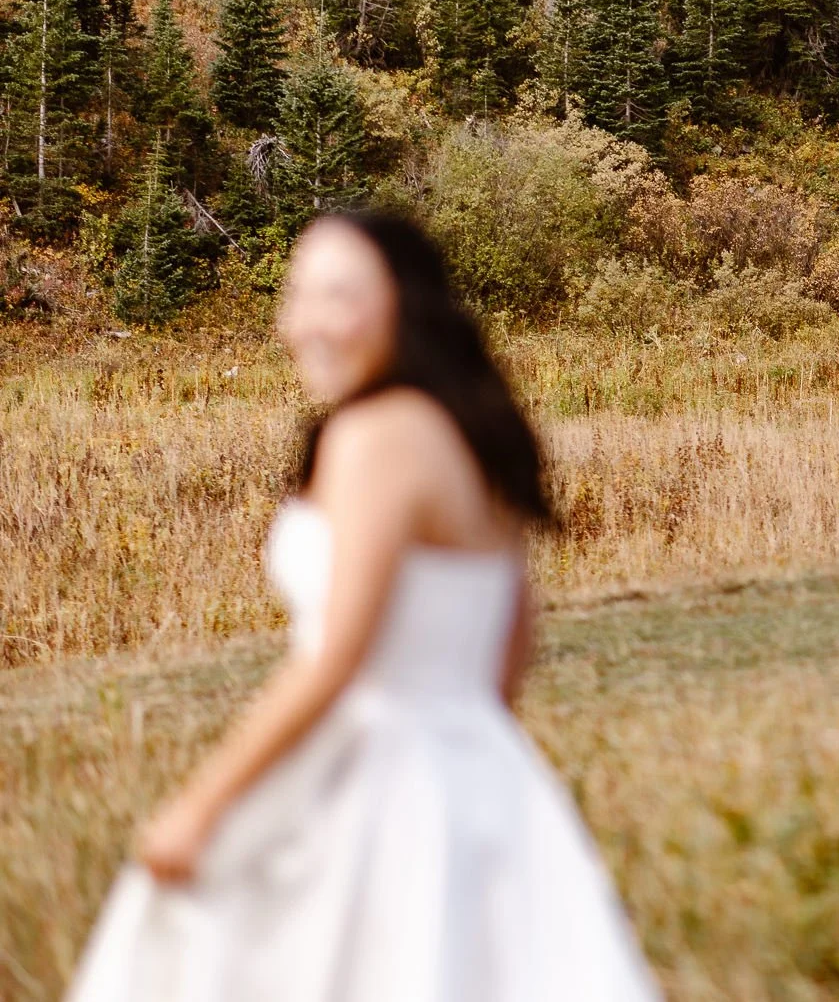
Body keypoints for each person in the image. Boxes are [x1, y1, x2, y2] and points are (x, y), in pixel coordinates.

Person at [68, 211, 660, 1002]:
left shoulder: (377, 433)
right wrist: (457, 745)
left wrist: (201, 804)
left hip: (378, 783)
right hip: (486, 776)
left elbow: (339, 657)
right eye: (298, 293)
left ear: (406, 305)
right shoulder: (472, 434)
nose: (307, 321)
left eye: (340, 294)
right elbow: (511, 645)